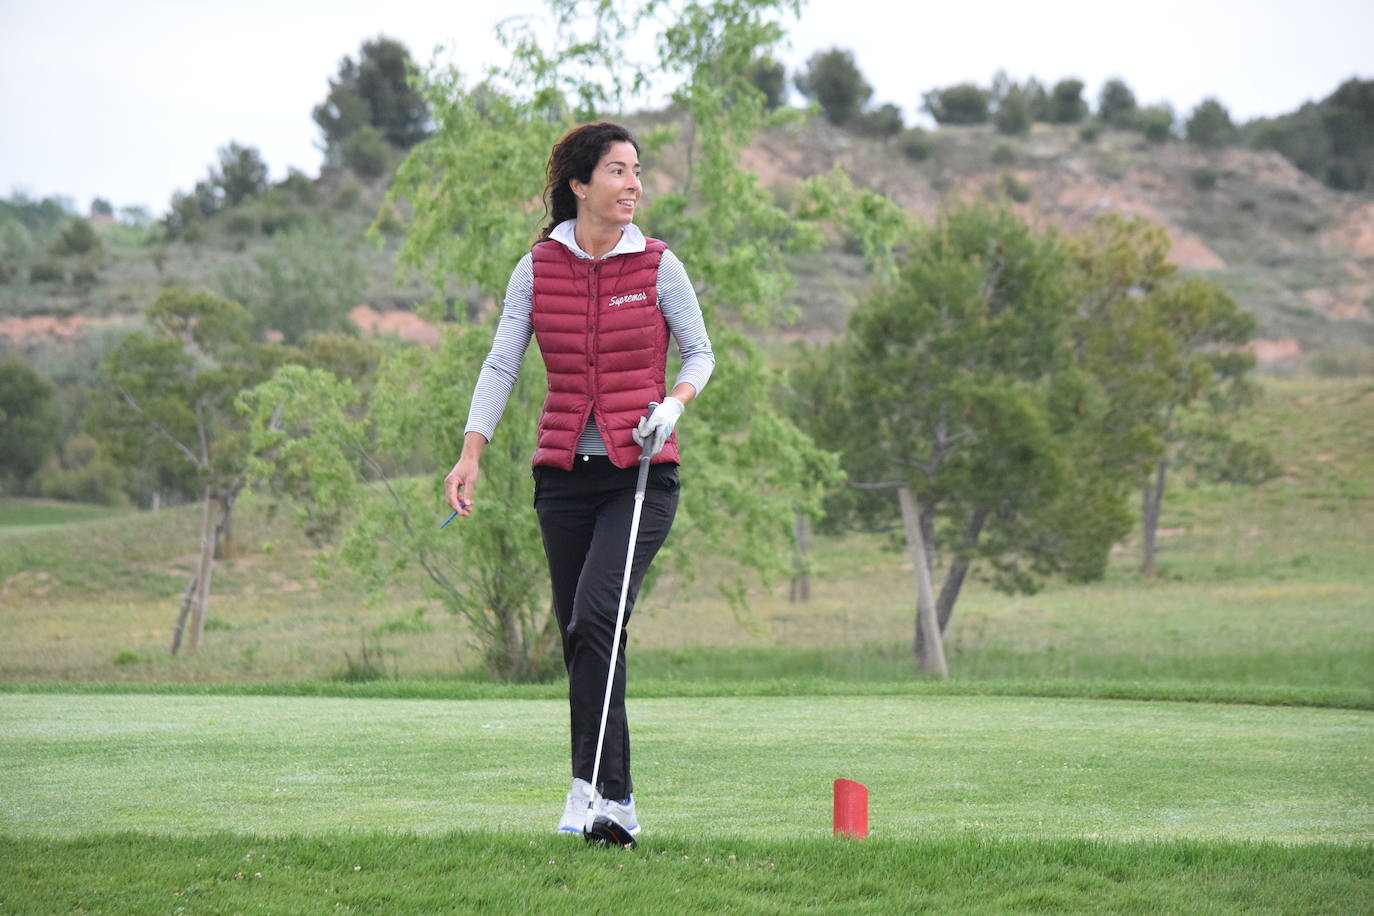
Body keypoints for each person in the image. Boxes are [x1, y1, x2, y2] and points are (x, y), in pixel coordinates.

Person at [443, 121, 714, 839]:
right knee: (584, 634)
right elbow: (501, 364)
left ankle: (598, 795)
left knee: (597, 617)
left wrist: (672, 403)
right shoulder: (538, 266)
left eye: (637, 171)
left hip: (641, 477)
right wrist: (471, 454)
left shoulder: (658, 264)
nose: (634, 185)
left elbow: (701, 354)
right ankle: (602, 799)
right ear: (580, 184)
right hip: (562, 478)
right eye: (619, 172)